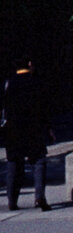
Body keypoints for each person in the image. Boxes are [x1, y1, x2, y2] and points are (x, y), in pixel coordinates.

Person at [3, 58, 52, 211]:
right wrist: (48, 129)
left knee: (14, 163)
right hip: (34, 128)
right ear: (30, 64)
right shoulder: (37, 82)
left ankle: (12, 200)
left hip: (13, 130)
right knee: (38, 161)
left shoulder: (8, 83)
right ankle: (39, 197)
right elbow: (44, 108)